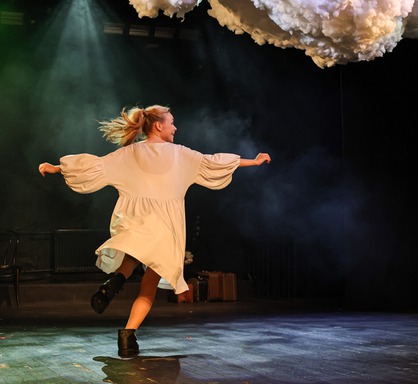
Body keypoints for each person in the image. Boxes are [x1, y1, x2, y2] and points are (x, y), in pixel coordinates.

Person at [39, 104, 271, 358]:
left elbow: (94, 166)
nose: (175, 127)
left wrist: (55, 168)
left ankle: (113, 283)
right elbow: (213, 162)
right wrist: (254, 161)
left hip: (137, 219)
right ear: (159, 126)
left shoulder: (129, 154)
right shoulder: (182, 154)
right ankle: (127, 335)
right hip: (165, 226)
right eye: (172, 122)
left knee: (132, 256)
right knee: (148, 286)